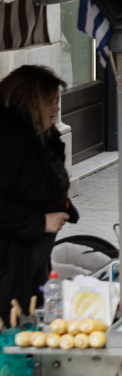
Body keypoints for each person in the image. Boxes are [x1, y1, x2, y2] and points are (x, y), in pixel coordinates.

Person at [0, 65, 79, 314]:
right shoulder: (9, 140)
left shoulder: (40, 135)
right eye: (50, 101)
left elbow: (48, 180)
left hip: (30, 257)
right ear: (29, 101)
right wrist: (40, 222)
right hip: (9, 261)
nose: (56, 108)